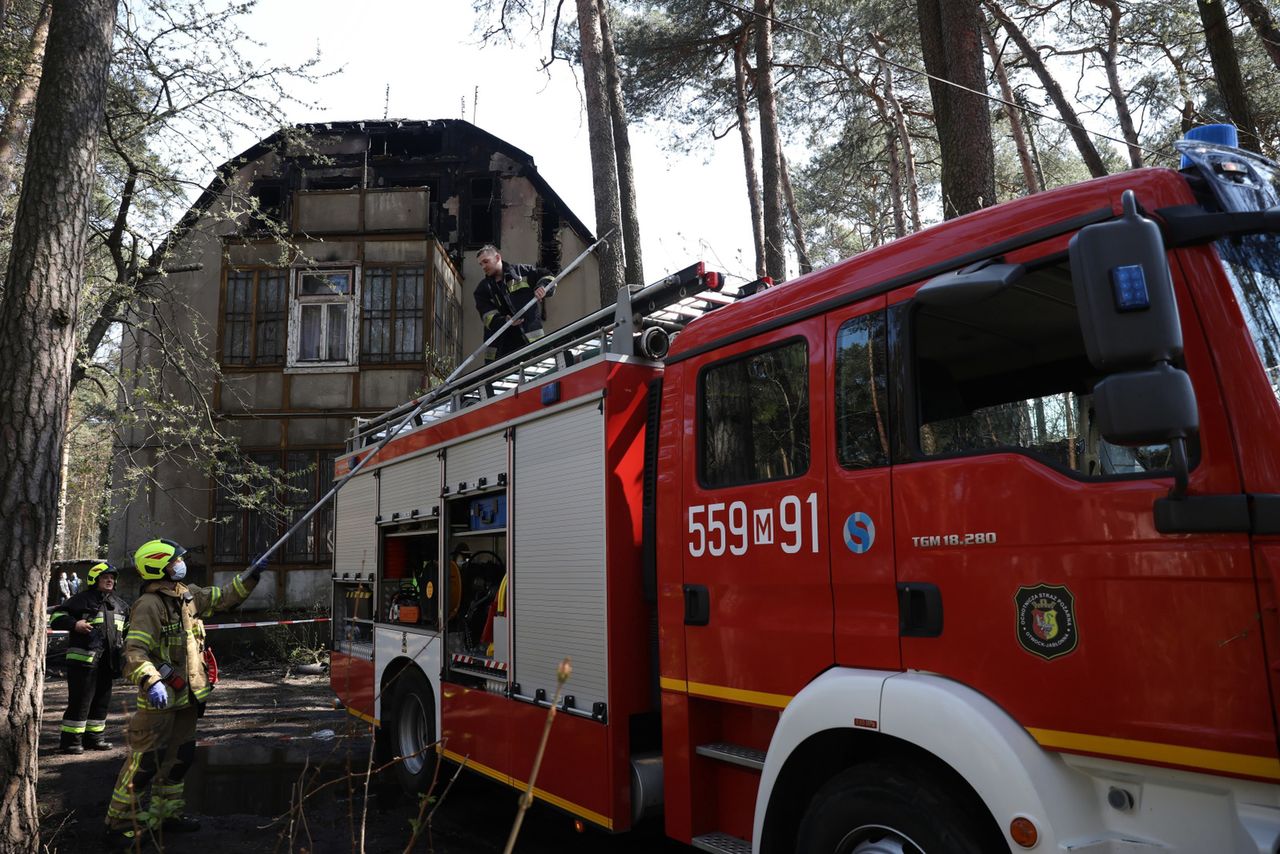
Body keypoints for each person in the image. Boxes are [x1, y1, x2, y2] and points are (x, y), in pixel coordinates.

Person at [103, 538, 266, 850]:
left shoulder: (186, 596)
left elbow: (223, 597)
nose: (181, 563)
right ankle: (119, 823)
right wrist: (152, 682)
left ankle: (167, 815)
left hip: (188, 698)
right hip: (159, 701)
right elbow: (135, 652)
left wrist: (252, 575)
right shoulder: (148, 606)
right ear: (158, 566)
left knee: (180, 759)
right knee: (145, 763)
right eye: (175, 560)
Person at [48, 562, 129, 754]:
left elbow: (127, 630)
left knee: (102, 701)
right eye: (105, 577)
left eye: (112, 578)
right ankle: (71, 742)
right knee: (80, 701)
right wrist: (75, 624)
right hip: (83, 661)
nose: (110, 580)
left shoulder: (120, 605)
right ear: (95, 580)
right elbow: (56, 616)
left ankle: (94, 738)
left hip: (108, 662)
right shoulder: (80, 600)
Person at [474, 245, 554, 362]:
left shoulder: (522, 273)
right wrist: (505, 321)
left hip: (530, 343)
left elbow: (548, 276)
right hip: (501, 349)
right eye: (481, 264)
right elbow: (487, 317)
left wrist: (542, 288)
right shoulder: (482, 289)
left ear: (497, 257)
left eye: (486, 262)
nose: (483, 267)